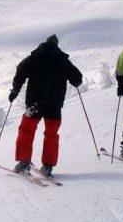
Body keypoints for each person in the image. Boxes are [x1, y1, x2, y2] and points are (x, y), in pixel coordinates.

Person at [9, 34, 83, 177]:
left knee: (27, 130)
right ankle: (48, 166)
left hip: (35, 102)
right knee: (51, 134)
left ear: (45, 43)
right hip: (54, 104)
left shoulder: (35, 57)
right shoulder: (63, 60)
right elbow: (77, 79)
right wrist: (74, 81)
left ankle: (24, 163)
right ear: (56, 45)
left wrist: (15, 90)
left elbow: (21, 71)